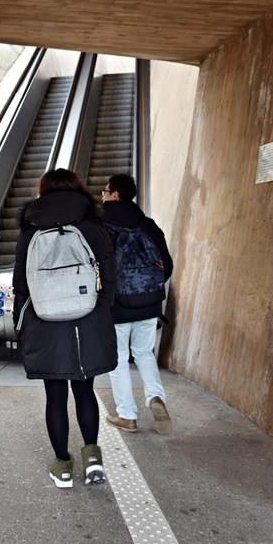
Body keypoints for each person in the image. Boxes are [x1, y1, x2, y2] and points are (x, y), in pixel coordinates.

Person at [13, 168, 117, 488]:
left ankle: (63, 468)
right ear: (78, 189)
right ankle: (93, 459)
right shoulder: (92, 224)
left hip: (45, 324)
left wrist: (24, 326)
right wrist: (101, 310)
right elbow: (110, 274)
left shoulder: (31, 230)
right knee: (85, 391)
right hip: (88, 321)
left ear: (43, 192)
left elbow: (21, 284)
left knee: (54, 397)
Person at [101, 173, 173, 433]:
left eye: (105, 191)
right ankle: (155, 397)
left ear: (115, 194)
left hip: (117, 305)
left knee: (118, 359)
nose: (103, 195)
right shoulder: (148, 224)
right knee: (144, 353)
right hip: (149, 303)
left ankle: (127, 415)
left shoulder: (102, 225)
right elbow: (167, 266)